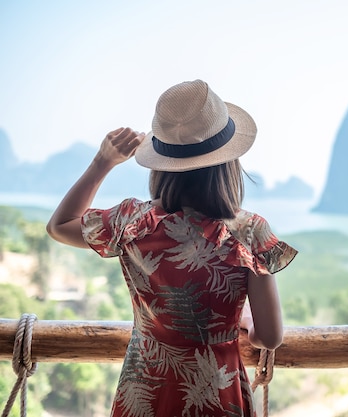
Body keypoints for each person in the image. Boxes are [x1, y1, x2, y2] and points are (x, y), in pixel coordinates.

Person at [46, 79, 297, 417]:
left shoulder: (132, 222)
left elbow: (59, 226)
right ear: (229, 162)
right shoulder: (249, 232)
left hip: (144, 391)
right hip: (216, 395)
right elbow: (269, 337)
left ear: (162, 163)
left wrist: (102, 162)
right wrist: (245, 320)